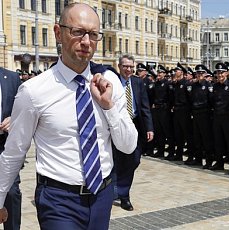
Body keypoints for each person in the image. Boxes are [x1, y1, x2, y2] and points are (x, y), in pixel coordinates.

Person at [0, 3, 138, 230]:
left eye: (93, 35)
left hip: (101, 196)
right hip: (58, 199)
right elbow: (14, 152)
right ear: (58, 33)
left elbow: (128, 145)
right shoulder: (34, 91)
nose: (86, 42)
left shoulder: (109, 82)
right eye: (77, 32)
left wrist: (108, 107)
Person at [113, 54, 154, 211]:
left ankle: (120, 188)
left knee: (134, 160)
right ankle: (123, 196)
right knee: (118, 160)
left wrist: (149, 128)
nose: (128, 69)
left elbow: (145, 106)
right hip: (117, 126)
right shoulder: (113, 82)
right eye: (125, 66)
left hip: (135, 126)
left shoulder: (138, 82)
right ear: (119, 67)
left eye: (131, 66)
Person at [0, 67, 22, 230]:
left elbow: (23, 109)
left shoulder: (12, 78)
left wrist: (14, 119)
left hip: (5, 146)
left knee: (12, 193)